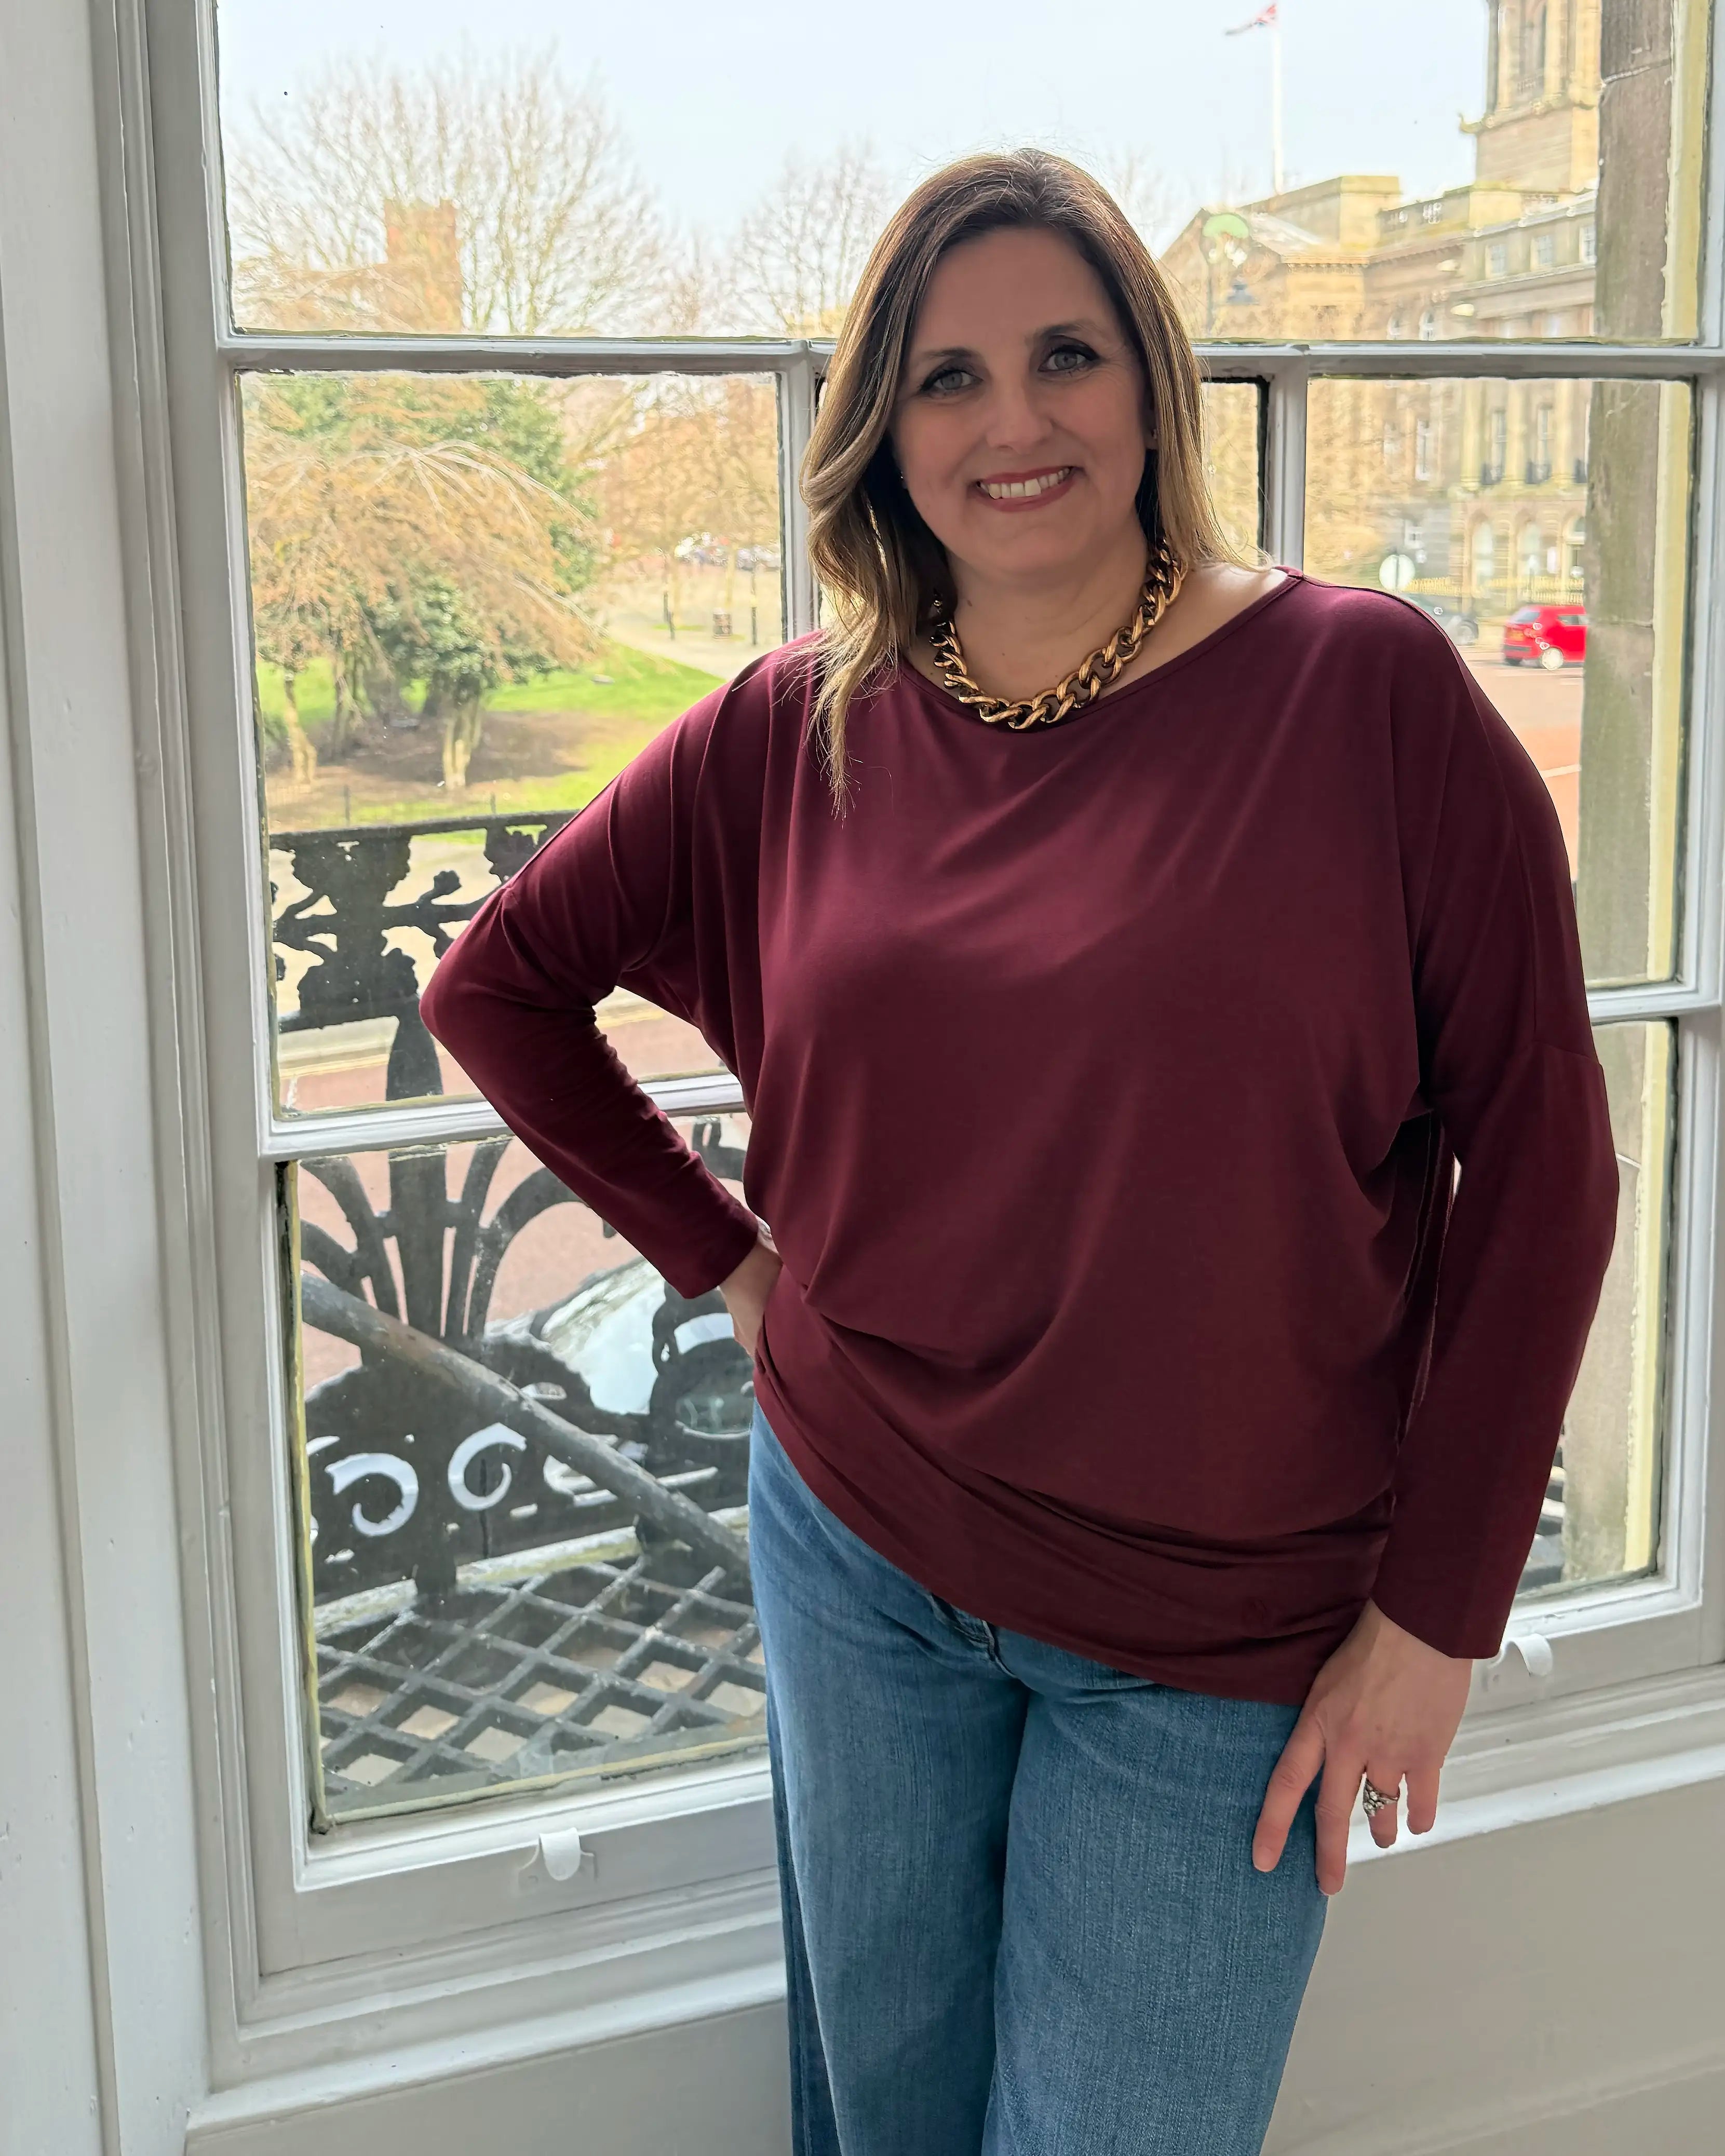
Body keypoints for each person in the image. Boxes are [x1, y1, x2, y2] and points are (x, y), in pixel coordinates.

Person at [417, 149, 1619, 2156]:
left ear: (1148, 383)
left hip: (1222, 1631)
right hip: (859, 1549)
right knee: (881, 2124)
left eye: (1063, 354)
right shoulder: (783, 735)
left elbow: (1547, 1161)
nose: (1013, 420)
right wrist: (725, 1262)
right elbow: (498, 991)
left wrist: (1436, 1616)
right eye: (947, 377)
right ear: (884, 434)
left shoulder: (1361, 692)